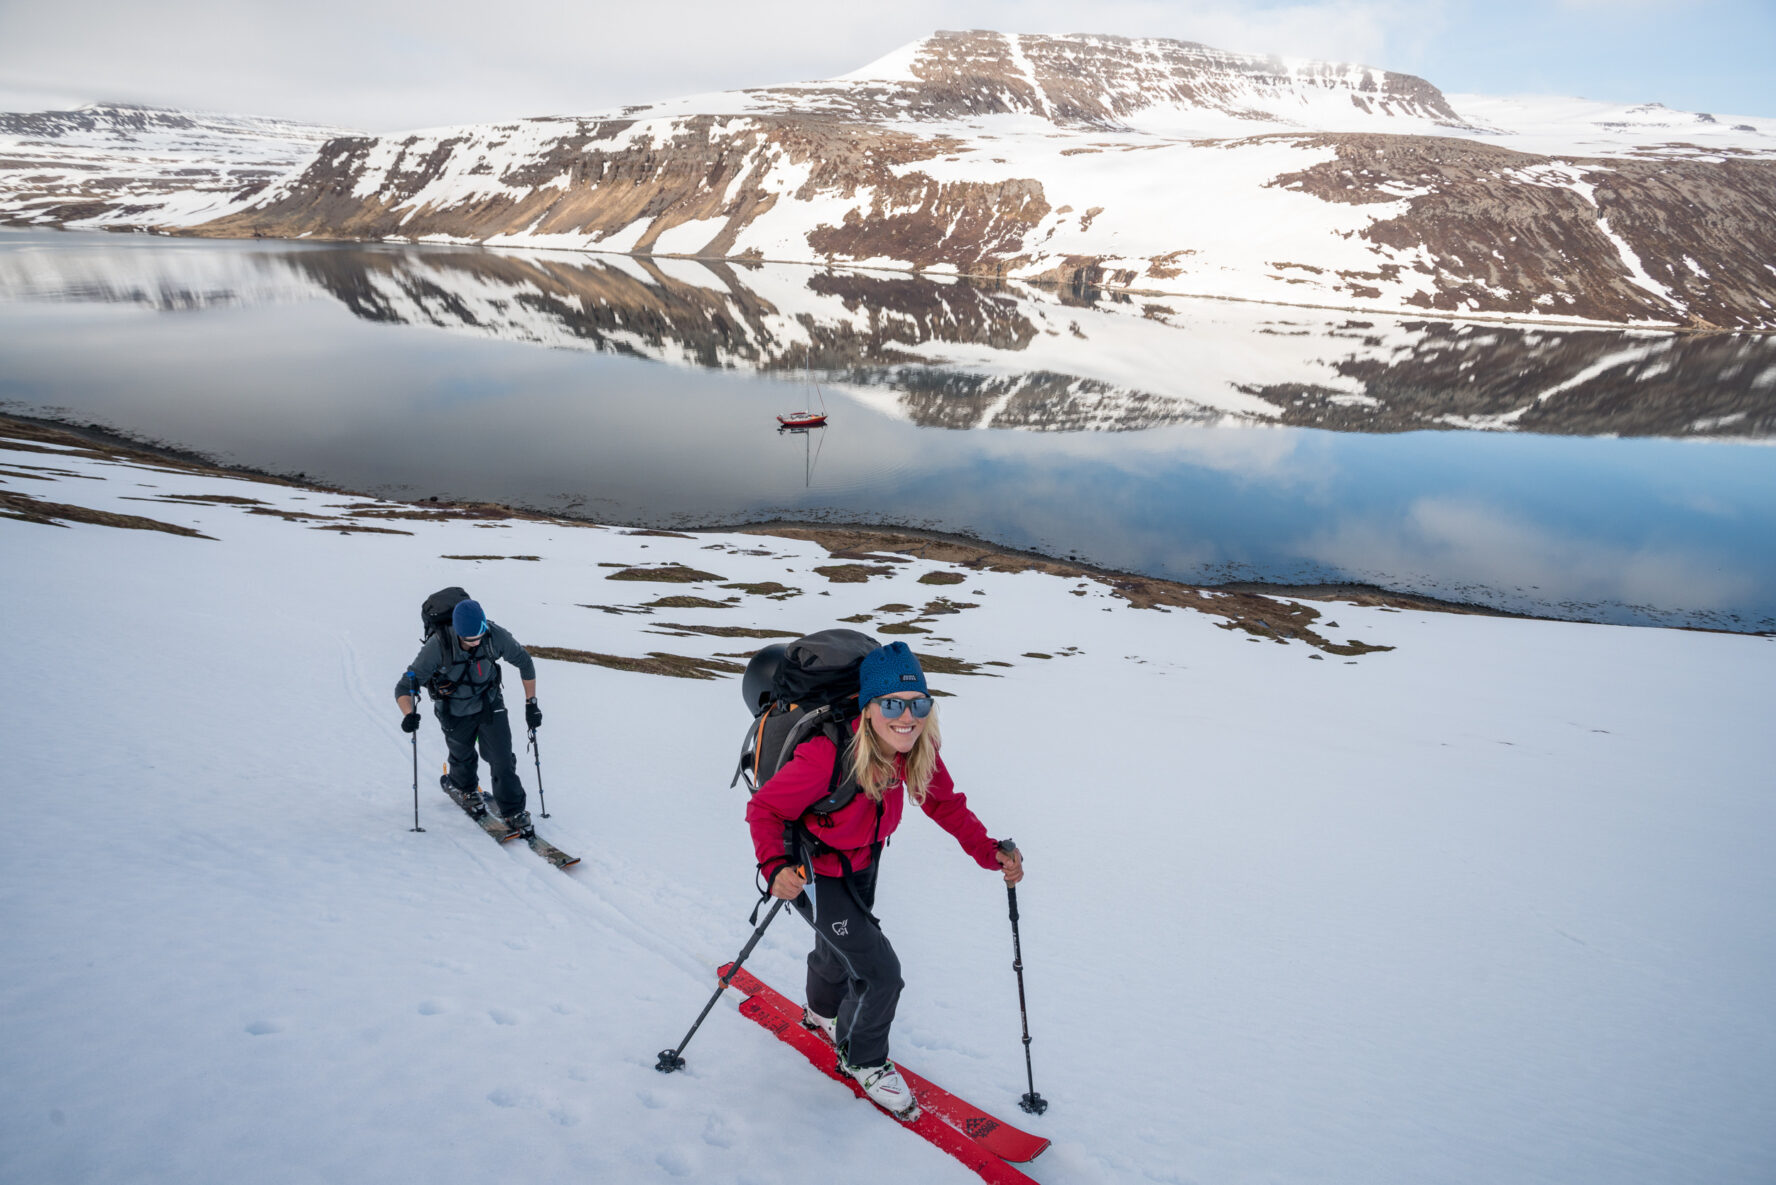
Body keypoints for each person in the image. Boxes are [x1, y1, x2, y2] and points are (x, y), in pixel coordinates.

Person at [745, 641, 1024, 1120]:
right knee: (880, 974)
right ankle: (863, 1059)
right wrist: (775, 869)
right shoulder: (826, 752)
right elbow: (765, 809)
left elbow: (943, 803)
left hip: (862, 862)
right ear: (869, 706)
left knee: (839, 949)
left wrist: (987, 849)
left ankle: (819, 1013)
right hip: (811, 870)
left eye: (918, 704)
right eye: (892, 704)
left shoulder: (915, 747)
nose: (907, 716)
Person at [396, 598, 543, 836]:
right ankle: (465, 789)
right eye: (469, 639)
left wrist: (531, 703)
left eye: (479, 636)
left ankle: (514, 810)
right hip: (453, 710)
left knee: (502, 758)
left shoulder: (495, 636)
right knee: (462, 755)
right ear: (457, 632)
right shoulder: (437, 646)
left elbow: (525, 662)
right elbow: (405, 686)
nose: (475, 643)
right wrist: (408, 714)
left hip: (489, 703)